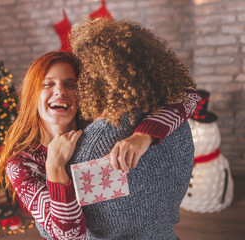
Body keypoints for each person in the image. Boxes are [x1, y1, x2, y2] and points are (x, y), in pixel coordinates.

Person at [0, 50, 199, 240]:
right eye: (47, 84)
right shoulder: (23, 164)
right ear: (32, 94)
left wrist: (143, 136)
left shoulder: (99, 124)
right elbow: (69, 236)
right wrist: (55, 168)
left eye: (71, 84)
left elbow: (188, 96)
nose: (60, 91)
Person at [64, 18, 199, 239]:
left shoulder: (89, 151)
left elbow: (62, 231)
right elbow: (189, 94)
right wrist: (145, 134)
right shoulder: (177, 123)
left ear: (89, 80)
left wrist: (53, 168)